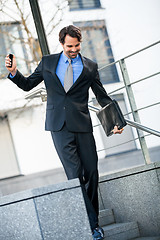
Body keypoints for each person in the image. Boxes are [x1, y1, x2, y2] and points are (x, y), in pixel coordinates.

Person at [5, 25, 123, 240]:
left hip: (83, 125)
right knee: (74, 175)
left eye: (77, 45)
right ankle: (93, 225)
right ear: (62, 43)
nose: (74, 49)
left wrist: (117, 120)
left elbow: (102, 96)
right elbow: (28, 84)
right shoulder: (48, 62)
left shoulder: (90, 66)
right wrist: (14, 73)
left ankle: (90, 219)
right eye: (70, 46)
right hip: (59, 126)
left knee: (92, 173)